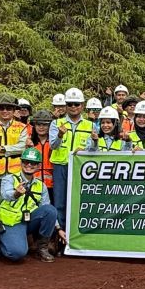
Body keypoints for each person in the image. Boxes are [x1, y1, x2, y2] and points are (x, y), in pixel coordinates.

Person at [0, 148, 58, 263]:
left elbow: (46, 206)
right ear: (21, 162)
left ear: (38, 165)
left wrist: (58, 228)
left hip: (29, 220)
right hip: (12, 221)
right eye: (26, 161)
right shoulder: (9, 179)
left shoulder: (41, 185)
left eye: (33, 163)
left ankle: (42, 248)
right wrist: (16, 194)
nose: (29, 165)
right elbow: (5, 195)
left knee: (50, 210)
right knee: (16, 254)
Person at [49, 88, 93, 227]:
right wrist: (60, 135)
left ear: (83, 105)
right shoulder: (56, 123)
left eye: (77, 104)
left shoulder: (90, 125)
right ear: (66, 106)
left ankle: (75, 232)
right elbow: (53, 146)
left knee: (77, 201)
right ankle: (59, 234)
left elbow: (94, 149)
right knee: (60, 202)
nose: (73, 107)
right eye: (70, 104)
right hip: (61, 167)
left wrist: (85, 150)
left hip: (81, 168)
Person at [29, 110, 55, 202]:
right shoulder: (30, 143)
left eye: (44, 125)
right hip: (34, 185)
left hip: (52, 186)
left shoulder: (54, 143)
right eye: (38, 124)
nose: (41, 127)